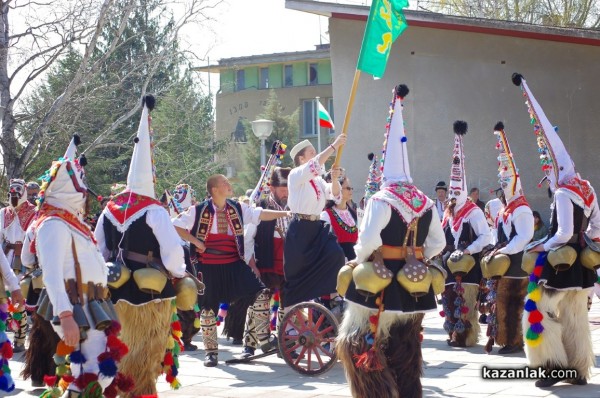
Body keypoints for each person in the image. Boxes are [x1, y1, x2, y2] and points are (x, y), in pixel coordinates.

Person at [336, 84, 445, 398]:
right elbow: (438, 243)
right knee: (407, 348)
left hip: (378, 283)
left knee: (358, 342)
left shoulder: (381, 199)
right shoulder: (424, 201)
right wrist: (417, 257)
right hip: (413, 285)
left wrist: (358, 259)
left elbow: (367, 239)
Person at [95, 96, 186, 397]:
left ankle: (120, 386)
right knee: (147, 350)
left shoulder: (109, 209)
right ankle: (141, 391)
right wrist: (178, 273)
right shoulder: (155, 211)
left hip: (116, 284)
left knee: (119, 344)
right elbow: (173, 252)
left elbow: (100, 249)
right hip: (150, 291)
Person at [513, 73, 600, 387]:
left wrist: (541, 247)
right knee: (576, 316)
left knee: (538, 312)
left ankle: (552, 367)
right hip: (582, 263)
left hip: (560, 261)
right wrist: (588, 247)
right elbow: (597, 226)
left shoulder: (564, 193)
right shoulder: (586, 189)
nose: (546, 176)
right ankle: (578, 369)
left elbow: (562, 232)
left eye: (547, 169)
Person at [33, 135, 127, 397]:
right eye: (79, 185)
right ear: (66, 187)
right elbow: (52, 275)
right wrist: (65, 316)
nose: (85, 192)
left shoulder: (73, 224)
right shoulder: (52, 224)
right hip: (75, 307)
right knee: (91, 373)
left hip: (94, 303)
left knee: (101, 372)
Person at [173, 174, 289, 367]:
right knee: (208, 308)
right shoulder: (198, 210)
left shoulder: (237, 207)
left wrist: (285, 213)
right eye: (225, 183)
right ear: (215, 190)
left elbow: (259, 214)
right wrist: (195, 241)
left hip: (234, 263)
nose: (229, 184)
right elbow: (175, 225)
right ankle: (211, 353)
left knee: (261, 293)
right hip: (208, 265)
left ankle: (264, 339)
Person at [482, 122, 534, 355]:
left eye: (506, 182)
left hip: (516, 264)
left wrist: (504, 252)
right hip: (503, 263)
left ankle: (515, 340)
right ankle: (505, 338)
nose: (503, 187)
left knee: (515, 304)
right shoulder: (504, 210)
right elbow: (496, 233)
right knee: (501, 304)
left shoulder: (521, 209)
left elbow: (524, 237)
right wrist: (494, 249)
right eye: (501, 183)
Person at [440, 121, 492, 348]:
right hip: (450, 264)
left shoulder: (474, 212)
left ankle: (466, 336)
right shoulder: (448, 212)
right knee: (450, 298)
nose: (452, 196)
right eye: (450, 192)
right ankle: (453, 332)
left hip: (469, 264)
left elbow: (486, 237)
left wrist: (468, 250)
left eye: (455, 191)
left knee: (466, 300)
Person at [282, 133, 346, 310]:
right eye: (312, 153)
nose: (316, 155)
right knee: (296, 272)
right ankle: (292, 314)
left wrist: (334, 178)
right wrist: (334, 146)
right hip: (300, 228)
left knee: (336, 254)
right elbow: (315, 164)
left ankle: (334, 296)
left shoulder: (318, 180)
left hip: (317, 226)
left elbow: (334, 195)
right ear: (301, 159)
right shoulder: (295, 175)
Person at [241, 166, 292, 359]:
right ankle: (250, 345)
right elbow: (248, 239)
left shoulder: (293, 208)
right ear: (272, 188)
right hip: (265, 262)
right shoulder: (260, 208)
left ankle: (282, 341)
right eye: (282, 189)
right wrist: (252, 264)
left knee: (287, 305)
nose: (285, 193)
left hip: (287, 265)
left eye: (288, 189)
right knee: (259, 303)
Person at [0, 178, 37, 352]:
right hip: (4, 256)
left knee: (18, 297)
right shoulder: (3, 213)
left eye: (18, 190)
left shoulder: (33, 213)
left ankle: (20, 340)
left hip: (22, 258)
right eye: (12, 190)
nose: (14, 193)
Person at [168, 183, 201, 352]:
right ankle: (181, 340)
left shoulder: (190, 237)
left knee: (192, 309)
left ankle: (186, 339)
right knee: (179, 311)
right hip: (176, 276)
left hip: (190, 277)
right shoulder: (172, 237)